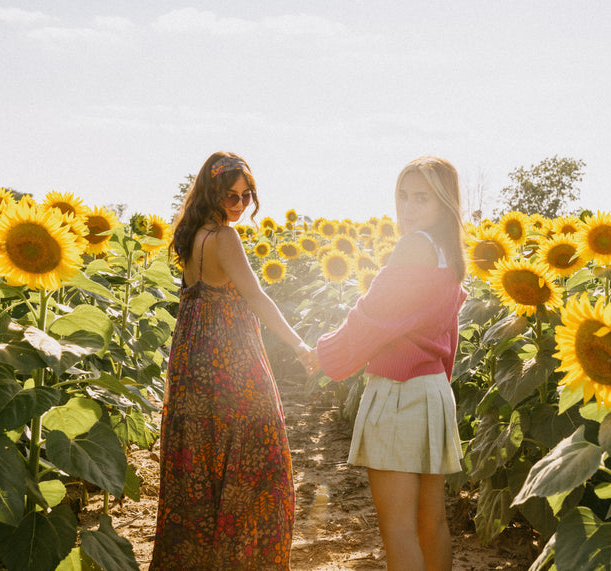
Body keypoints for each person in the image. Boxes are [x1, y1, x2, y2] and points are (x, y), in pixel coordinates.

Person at [150, 152, 318, 570]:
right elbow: (257, 297)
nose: (240, 204)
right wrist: (299, 346)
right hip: (230, 367)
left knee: (202, 472)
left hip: (193, 365)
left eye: (248, 196)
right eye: (231, 195)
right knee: (259, 464)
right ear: (212, 192)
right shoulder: (224, 238)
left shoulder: (193, 236)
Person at [315, 156, 468, 571]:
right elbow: (448, 338)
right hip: (433, 390)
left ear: (444, 204)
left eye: (422, 198)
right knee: (431, 524)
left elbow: (372, 316)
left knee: (398, 529)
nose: (408, 208)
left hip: (400, 394)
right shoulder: (447, 255)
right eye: (403, 196)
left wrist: (323, 354)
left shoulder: (413, 245)